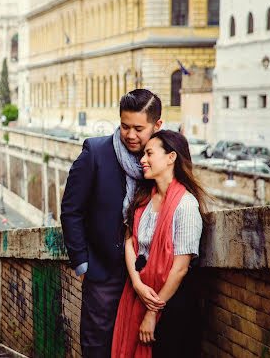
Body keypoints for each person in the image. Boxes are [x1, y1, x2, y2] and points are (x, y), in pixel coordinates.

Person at [61, 89, 162, 357]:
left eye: (139, 128)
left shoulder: (162, 159)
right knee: (97, 346)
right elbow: (71, 210)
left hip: (149, 274)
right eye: (125, 126)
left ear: (157, 125)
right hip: (103, 271)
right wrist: (83, 263)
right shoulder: (95, 152)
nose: (130, 135)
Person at [111, 130, 210, 358]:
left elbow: (180, 268)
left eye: (149, 153)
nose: (142, 160)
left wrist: (152, 313)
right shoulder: (144, 199)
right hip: (139, 292)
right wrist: (137, 283)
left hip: (171, 304)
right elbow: (130, 242)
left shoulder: (185, 205)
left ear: (171, 158)